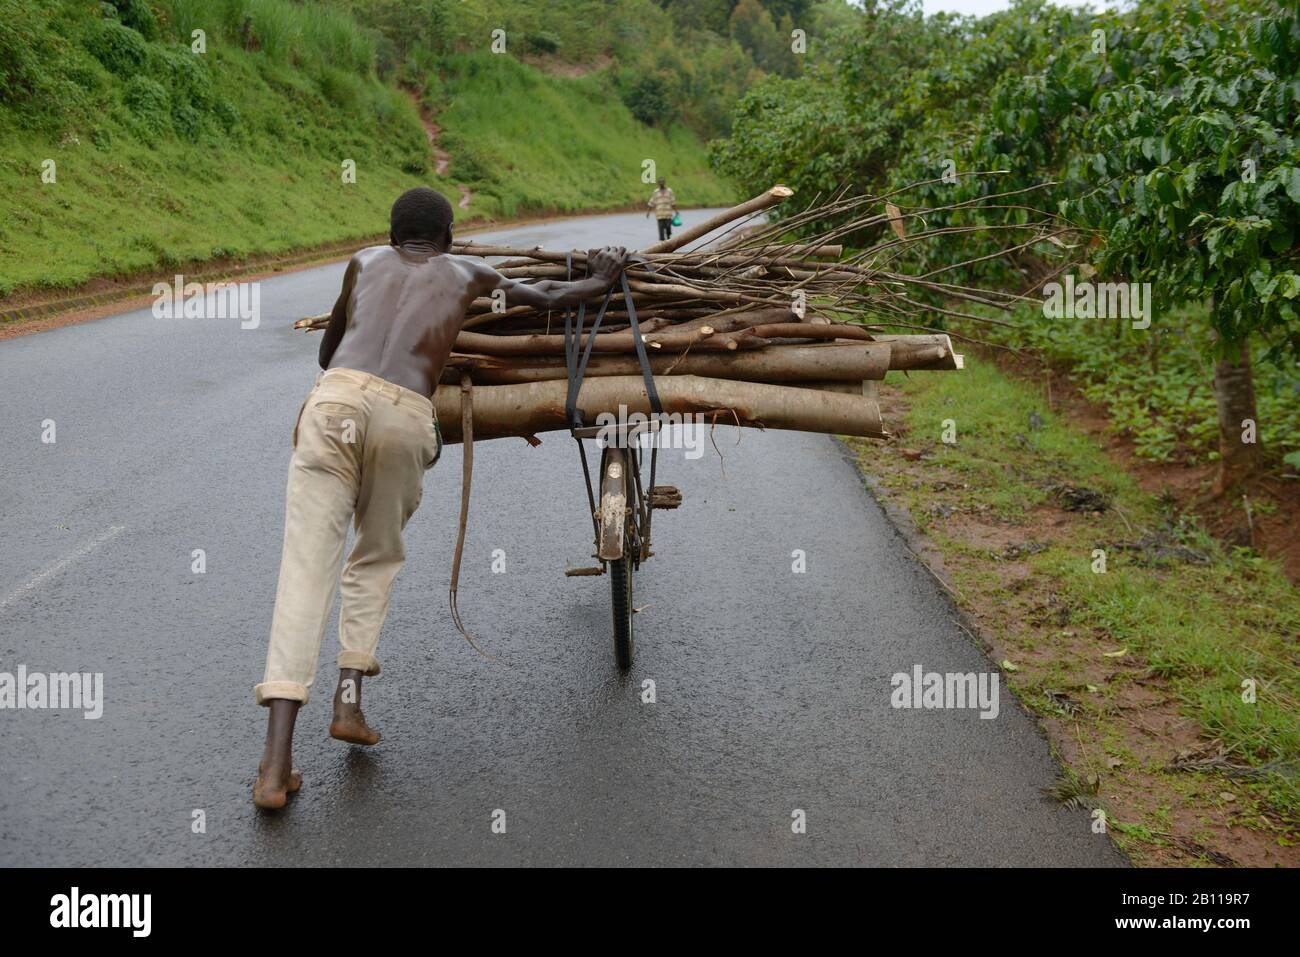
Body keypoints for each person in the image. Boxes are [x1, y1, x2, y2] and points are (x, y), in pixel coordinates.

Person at [252, 187, 627, 809]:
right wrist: (601, 277)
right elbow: (552, 300)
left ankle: (272, 770)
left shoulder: (365, 261)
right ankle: (349, 700)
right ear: (449, 236)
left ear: (391, 232)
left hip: (335, 403)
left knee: (303, 572)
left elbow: (327, 352)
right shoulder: (467, 271)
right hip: (403, 418)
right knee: (374, 556)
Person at [646, 177, 677, 242]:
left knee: (668, 228)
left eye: (662, 181)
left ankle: (668, 238)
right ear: (658, 183)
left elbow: (673, 202)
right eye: (660, 182)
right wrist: (648, 212)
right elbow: (651, 202)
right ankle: (662, 243)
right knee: (661, 230)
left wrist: (676, 211)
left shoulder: (669, 191)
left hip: (668, 214)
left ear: (664, 182)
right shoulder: (656, 192)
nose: (661, 183)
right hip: (659, 214)